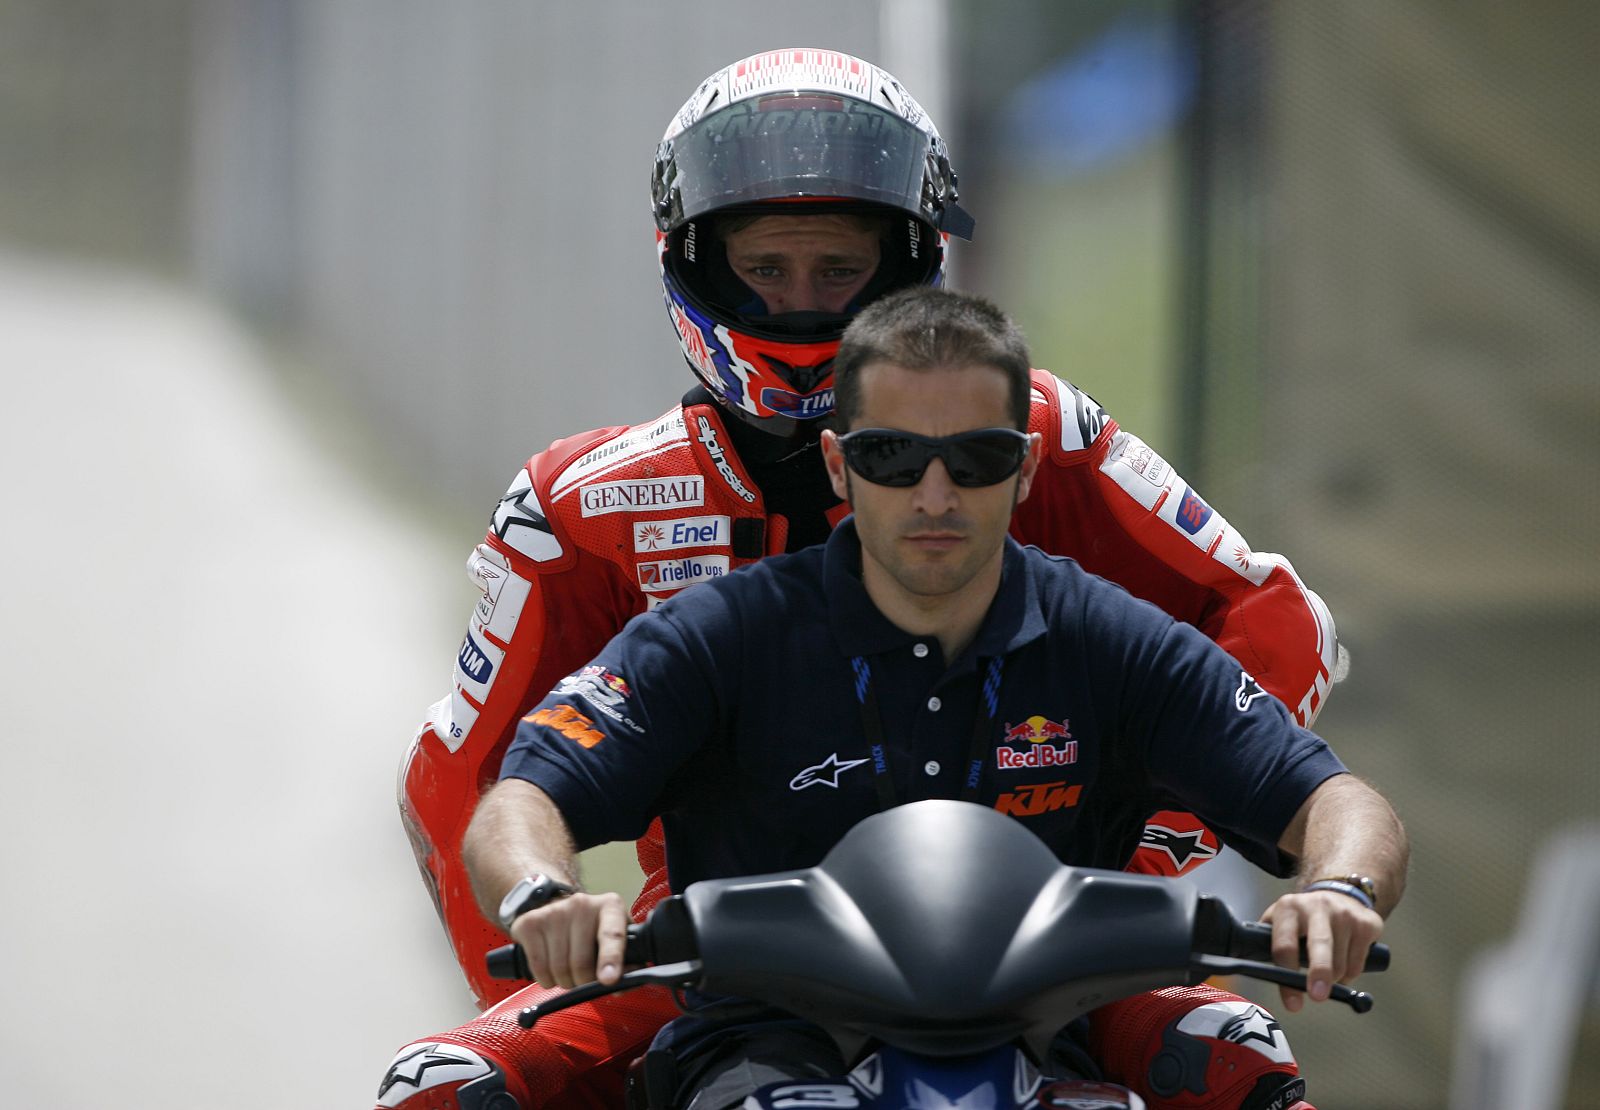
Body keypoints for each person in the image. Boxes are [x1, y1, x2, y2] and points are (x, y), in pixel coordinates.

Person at [378, 48, 1342, 1110]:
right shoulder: (580, 505)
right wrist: (542, 931)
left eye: (838, 269)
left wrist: (1128, 883)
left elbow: (1275, 620)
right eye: (765, 268)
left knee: (1239, 1056)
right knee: (445, 1087)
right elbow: (465, 778)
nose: (802, 303)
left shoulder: (1041, 433)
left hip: (1042, 953)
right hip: (729, 966)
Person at [465, 287, 1408, 1110]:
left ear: (1026, 468)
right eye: (891, 456)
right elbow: (523, 798)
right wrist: (545, 893)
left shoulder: (1110, 636)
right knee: (441, 1080)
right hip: (761, 1041)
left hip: (1048, 1043)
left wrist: (1340, 888)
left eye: (976, 458)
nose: (933, 494)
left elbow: (1337, 800)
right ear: (838, 465)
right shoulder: (720, 631)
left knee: (1241, 1052)